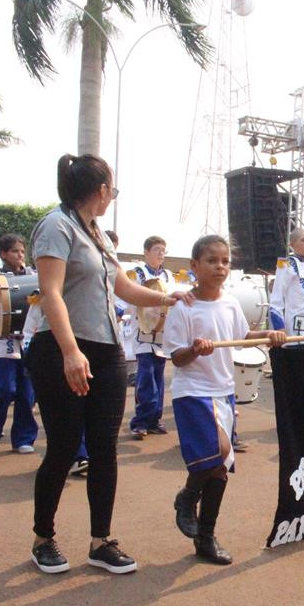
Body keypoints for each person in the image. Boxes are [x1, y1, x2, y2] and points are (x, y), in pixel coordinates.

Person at [26, 153, 194, 575]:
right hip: (61, 348)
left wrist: (165, 298)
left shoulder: (97, 233)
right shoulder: (56, 226)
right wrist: (69, 351)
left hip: (105, 350)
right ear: (101, 191)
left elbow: (122, 286)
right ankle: (43, 537)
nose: (111, 197)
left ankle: (101, 541)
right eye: (111, 190)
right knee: (64, 447)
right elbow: (51, 292)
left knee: (105, 449)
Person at [165, 235, 287, 564]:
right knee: (217, 452)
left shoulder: (231, 303)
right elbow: (176, 357)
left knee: (219, 471)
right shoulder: (183, 306)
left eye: (225, 261)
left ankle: (206, 537)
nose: (220, 267)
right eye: (211, 261)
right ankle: (187, 496)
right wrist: (194, 349)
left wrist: (269, 336)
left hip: (223, 392)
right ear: (194, 266)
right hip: (193, 392)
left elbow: (242, 337)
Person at [0, 234, 38, 454]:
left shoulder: (34, 276)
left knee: (26, 392)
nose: (20, 255)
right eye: (15, 251)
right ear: (3, 254)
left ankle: (23, 438)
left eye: (22, 251)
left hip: (28, 341)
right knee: (5, 388)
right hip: (4, 341)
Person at [128, 236, 173, 440]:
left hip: (162, 334)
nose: (161, 253)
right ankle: (140, 421)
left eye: (163, 250)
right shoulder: (138, 273)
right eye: (157, 249)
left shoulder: (168, 275)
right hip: (144, 333)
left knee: (158, 378)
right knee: (146, 378)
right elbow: (128, 298)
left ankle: (154, 419)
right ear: (146, 252)